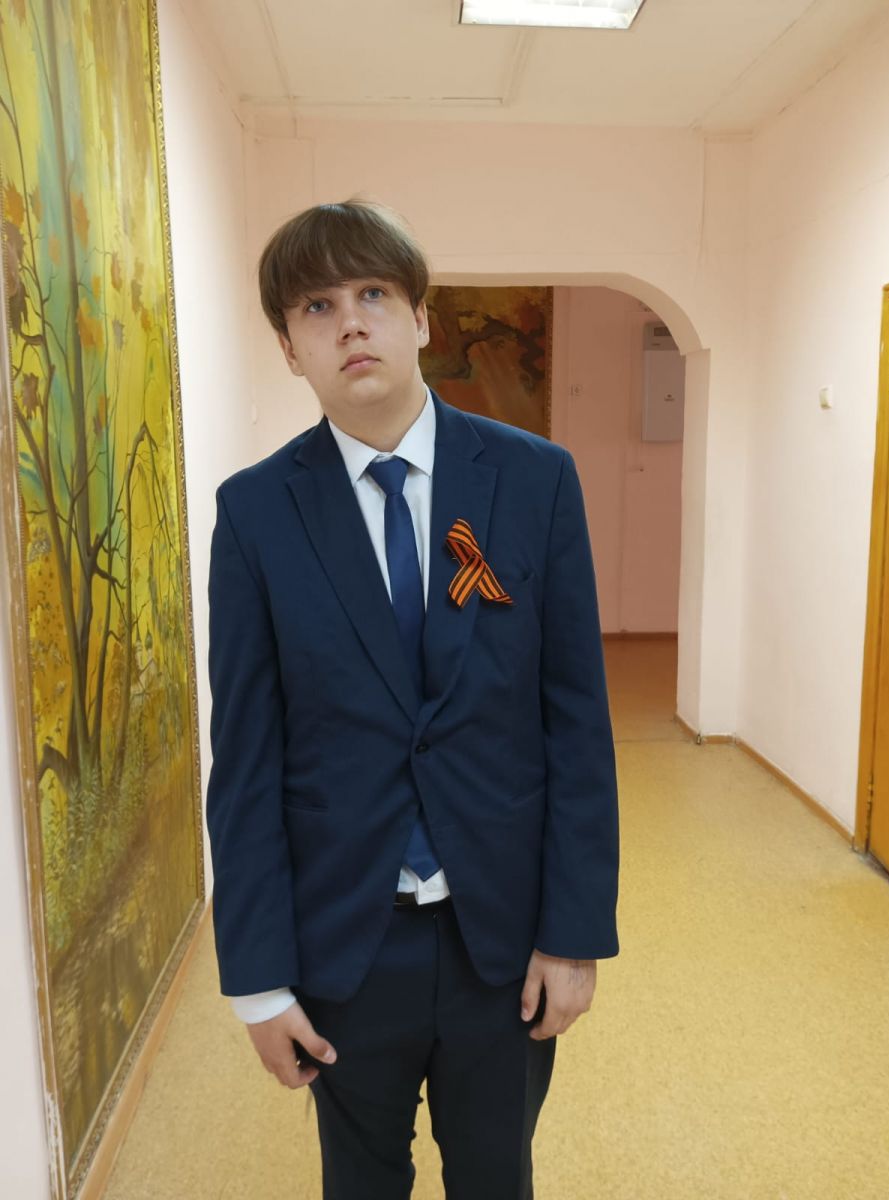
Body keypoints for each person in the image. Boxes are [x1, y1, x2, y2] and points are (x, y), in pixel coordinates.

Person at [205, 197, 620, 1200]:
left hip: (501, 939)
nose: (351, 323)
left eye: (374, 295)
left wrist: (573, 932)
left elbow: (576, 723)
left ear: (422, 318)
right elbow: (247, 761)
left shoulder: (535, 482)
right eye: (317, 307)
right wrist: (257, 982)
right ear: (289, 348)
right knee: (360, 1181)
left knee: (495, 1174)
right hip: (345, 942)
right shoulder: (256, 513)